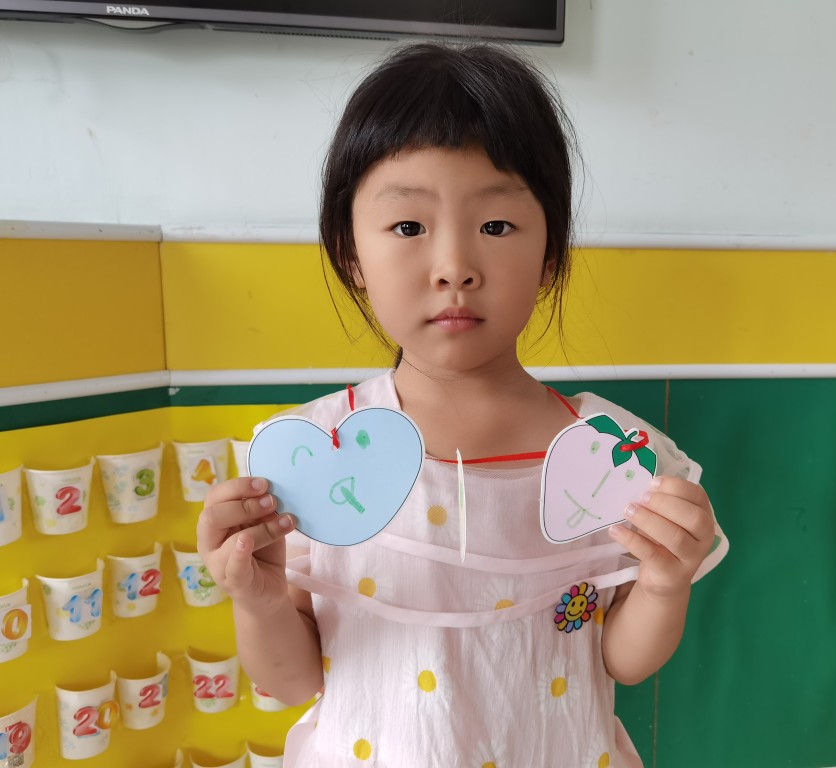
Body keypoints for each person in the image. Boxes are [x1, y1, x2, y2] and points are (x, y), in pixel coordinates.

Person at [196, 42, 728, 768]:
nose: (454, 267)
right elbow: (292, 682)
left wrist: (665, 582)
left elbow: (623, 662)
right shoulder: (307, 455)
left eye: (496, 226)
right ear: (351, 253)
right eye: (408, 227)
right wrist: (256, 597)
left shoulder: (611, 453)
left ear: (550, 256)